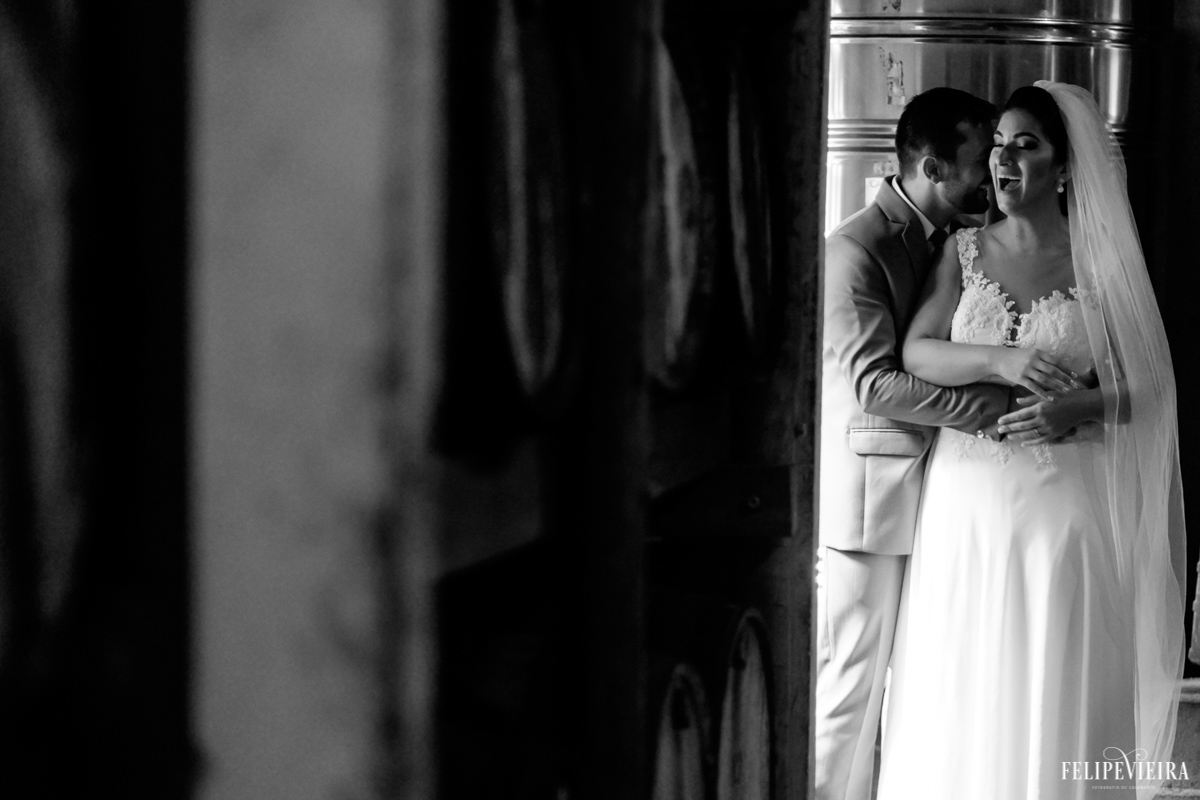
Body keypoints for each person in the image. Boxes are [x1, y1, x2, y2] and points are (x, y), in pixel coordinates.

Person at [876, 82, 1186, 800]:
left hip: (1064, 502)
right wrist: (1002, 359)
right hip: (967, 504)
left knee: (1055, 666)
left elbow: (1151, 386)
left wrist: (1074, 404)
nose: (1004, 159)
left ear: (1066, 167)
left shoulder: (1102, 263)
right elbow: (919, 351)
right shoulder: (964, 249)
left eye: (1027, 144)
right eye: (998, 145)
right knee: (967, 672)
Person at [815, 87, 1016, 800]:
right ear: (932, 167)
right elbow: (874, 386)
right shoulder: (855, 250)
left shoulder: (955, 242)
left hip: (941, 496)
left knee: (913, 694)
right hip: (870, 507)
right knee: (851, 693)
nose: (991, 174)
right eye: (978, 160)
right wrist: (985, 409)